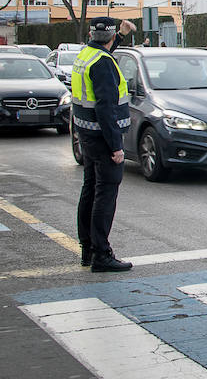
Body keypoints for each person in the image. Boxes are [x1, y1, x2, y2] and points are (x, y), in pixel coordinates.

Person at [71, 17, 136, 272]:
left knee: (90, 189)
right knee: (105, 195)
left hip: (86, 134)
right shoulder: (103, 64)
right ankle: (101, 253)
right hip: (102, 136)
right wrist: (116, 147)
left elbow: (104, 48)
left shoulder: (86, 54)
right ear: (109, 38)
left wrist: (120, 35)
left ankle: (87, 248)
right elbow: (105, 108)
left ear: (91, 34)